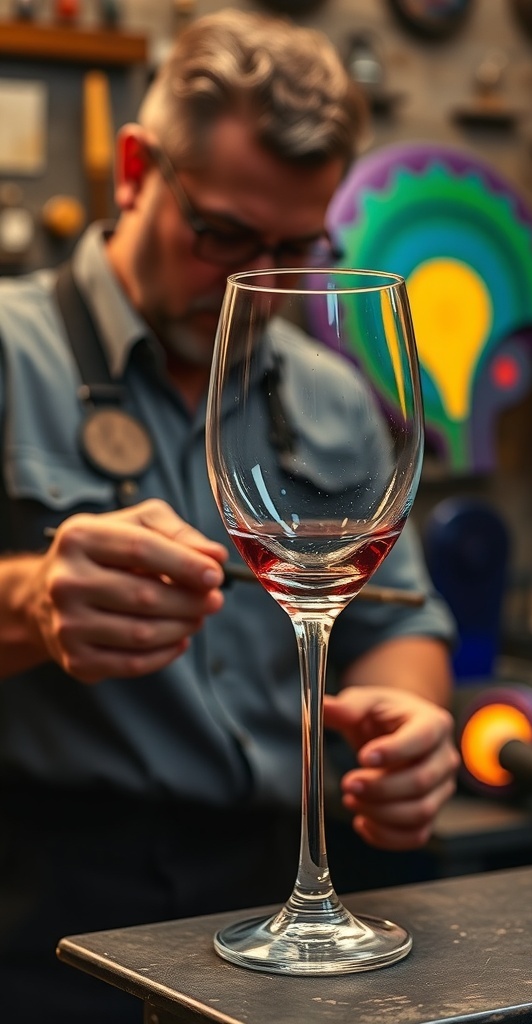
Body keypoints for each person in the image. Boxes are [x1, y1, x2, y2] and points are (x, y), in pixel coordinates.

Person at [0, 9, 459, 1022]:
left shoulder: (335, 393)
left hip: (287, 894)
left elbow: (401, 621)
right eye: (221, 233)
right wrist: (31, 601)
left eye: (298, 244)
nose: (257, 276)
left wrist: (412, 721)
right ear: (134, 169)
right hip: (55, 912)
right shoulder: (10, 348)